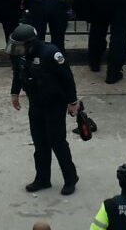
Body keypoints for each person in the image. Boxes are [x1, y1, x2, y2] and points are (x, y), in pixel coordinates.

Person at [8, 24, 80, 195]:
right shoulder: (21, 56)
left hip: (54, 105)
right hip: (35, 104)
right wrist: (14, 93)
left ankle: (70, 178)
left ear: (30, 43)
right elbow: (18, 74)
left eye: (19, 46)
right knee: (40, 144)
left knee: (58, 142)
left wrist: (72, 102)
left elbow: (67, 79)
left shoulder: (51, 53)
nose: (16, 50)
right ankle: (42, 179)